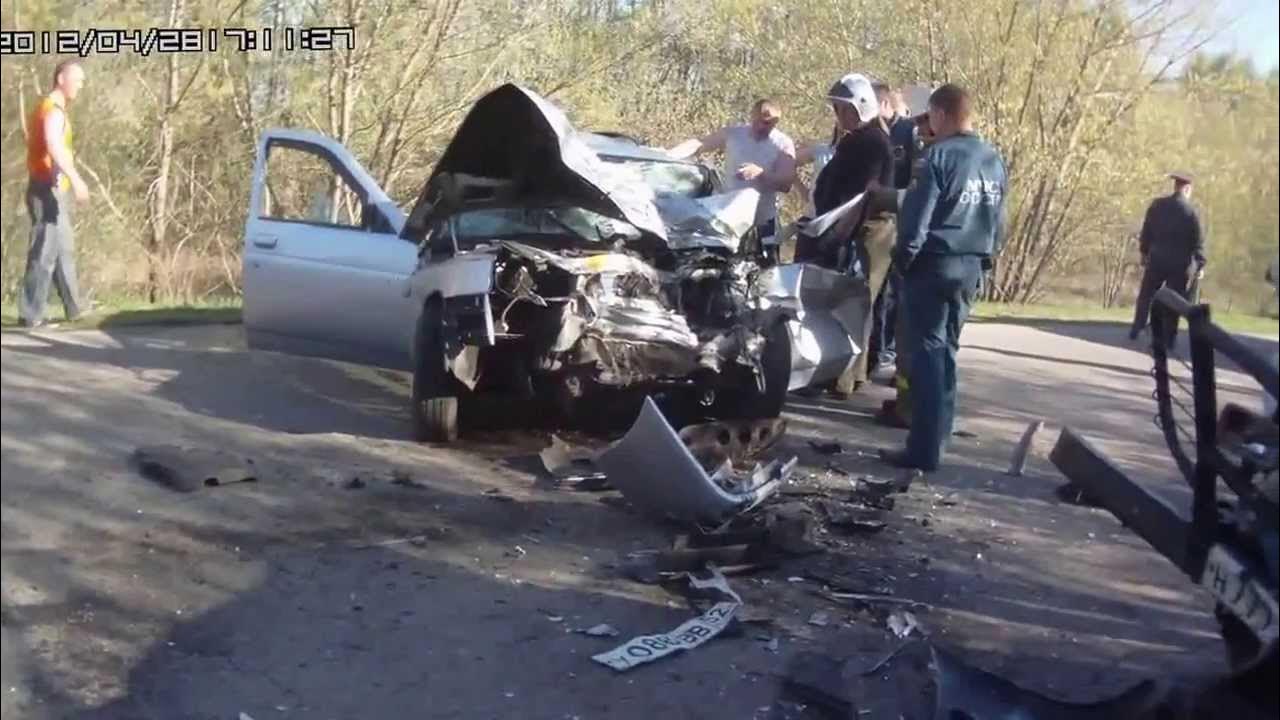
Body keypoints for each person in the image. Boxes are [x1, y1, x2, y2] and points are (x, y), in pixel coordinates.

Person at [879, 84, 1007, 472]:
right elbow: (1001, 222)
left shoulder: (937, 158)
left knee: (927, 357)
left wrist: (903, 260)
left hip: (934, 265)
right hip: (971, 265)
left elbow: (917, 221)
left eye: (930, 116)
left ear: (940, 114)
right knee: (946, 352)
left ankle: (924, 448)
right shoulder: (993, 159)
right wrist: (986, 259)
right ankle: (939, 436)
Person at [808, 74, 895, 396]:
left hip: (867, 231)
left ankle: (844, 380)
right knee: (850, 303)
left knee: (856, 305)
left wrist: (840, 233)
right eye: (836, 109)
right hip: (850, 227)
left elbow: (863, 195)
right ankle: (844, 375)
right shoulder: (857, 139)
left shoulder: (872, 142)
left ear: (861, 107)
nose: (838, 115)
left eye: (843, 109)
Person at [19, 60, 90, 328]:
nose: (81, 86)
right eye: (78, 80)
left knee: (64, 250)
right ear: (61, 78)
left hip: (53, 189)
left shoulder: (50, 108)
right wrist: (77, 180)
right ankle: (31, 313)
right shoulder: (53, 110)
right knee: (44, 253)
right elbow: (53, 145)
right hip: (46, 189)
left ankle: (75, 307)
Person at [667, 99, 797, 244]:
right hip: (729, 217)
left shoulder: (783, 144)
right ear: (752, 115)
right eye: (758, 121)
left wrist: (761, 173)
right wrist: (668, 155)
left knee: (766, 265)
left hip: (762, 220)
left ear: (775, 123)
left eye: (767, 123)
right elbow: (699, 144)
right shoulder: (733, 134)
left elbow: (786, 184)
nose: (761, 126)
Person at [1128, 172, 1206, 349]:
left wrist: (1144, 252)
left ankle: (1137, 326)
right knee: (1174, 300)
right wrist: (1200, 263)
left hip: (1157, 258)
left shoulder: (1158, 205)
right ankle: (1168, 337)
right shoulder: (1192, 212)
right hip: (1180, 263)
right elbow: (1198, 240)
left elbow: (1146, 230)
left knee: (1147, 294)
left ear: (1175, 187)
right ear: (1187, 189)